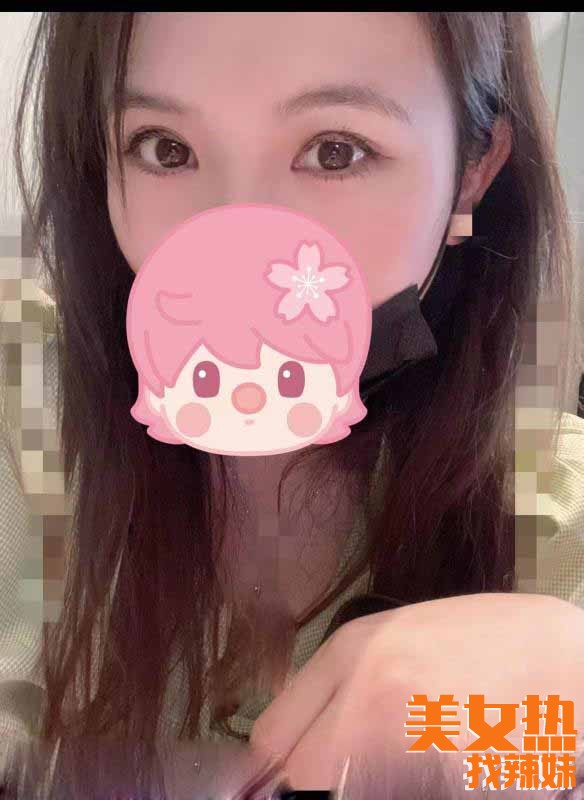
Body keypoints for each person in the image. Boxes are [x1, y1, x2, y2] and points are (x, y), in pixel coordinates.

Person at [1, 11, 583, 798]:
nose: (232, 247)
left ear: (473, 172)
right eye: (164, 148)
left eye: (336, 150)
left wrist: (566, 714)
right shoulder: (21, 417)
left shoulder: (556, 531)